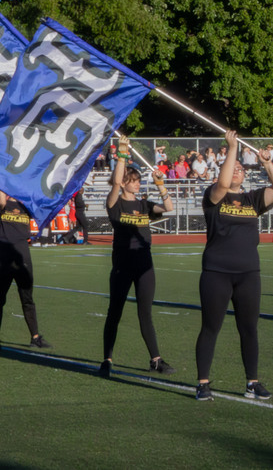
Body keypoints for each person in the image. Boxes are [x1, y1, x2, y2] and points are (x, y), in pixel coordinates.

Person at [194, 131, 273, 402]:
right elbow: (223, 184)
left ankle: (252, 383)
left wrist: (266, 163)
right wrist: (232, 148)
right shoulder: (214, 196)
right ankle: (202, 383)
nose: (236, 170)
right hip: (217, 272)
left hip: (248, 273)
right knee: (211, 327)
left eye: (240, 168)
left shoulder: (252, 200)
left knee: (249, 328)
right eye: (231, 167)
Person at [98, 136, 176, 378]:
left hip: (144, 265)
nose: (137, 184)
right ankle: (107, 359)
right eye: (133, 181)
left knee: (145, 314)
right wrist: (122, 155)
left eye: (139, 181)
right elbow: (115, 182)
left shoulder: (143, 205)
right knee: (115, 313)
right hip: (123, 265)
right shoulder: (115, 204)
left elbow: (169, 208)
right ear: (124, 183)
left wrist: (161, 184)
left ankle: (156, 360)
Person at [0, 190, 48, 350]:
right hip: (4, 255)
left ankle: (35, 337)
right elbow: (1, 201)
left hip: (22, 255)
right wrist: (1, 181)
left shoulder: (27, 206)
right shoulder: (2, 204)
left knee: (27, 298)